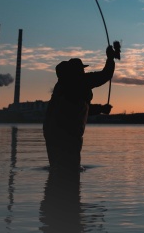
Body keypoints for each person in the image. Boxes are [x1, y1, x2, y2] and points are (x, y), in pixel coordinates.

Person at [43, 43, 119, 171]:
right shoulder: (79, 80)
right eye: (82, 69)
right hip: (68, 132)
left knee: (58, 167)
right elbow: (105, 75)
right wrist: (110, 58)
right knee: (71, 168)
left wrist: (100, 109)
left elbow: (79, 109)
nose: (84, 72)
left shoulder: (62, 86)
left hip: (51, 130)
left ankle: (56, 188)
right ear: (77, 71)